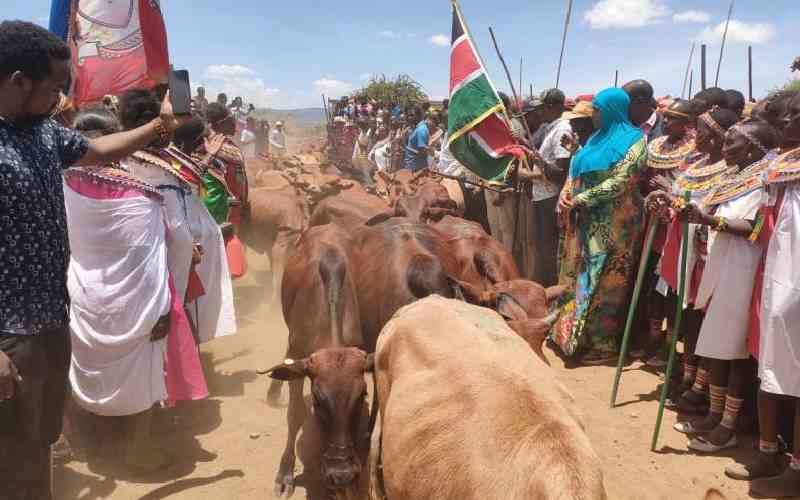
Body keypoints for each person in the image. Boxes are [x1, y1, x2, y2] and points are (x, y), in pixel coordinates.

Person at [0, 21, 186, 499]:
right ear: (18, 81)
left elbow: (98, 149)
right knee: (8, 452)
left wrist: (157, 125)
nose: (63, 96)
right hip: (8, 334)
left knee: (36, 443)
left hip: (48, 322)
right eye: (55, 86)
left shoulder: (39, 132)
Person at [64, 107, 208, 472]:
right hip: (137, 302)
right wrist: (166, 302)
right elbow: (175, 245)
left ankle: (84, 444)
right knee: (142, 375)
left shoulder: (60, 182)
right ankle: (138, 451)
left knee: (83, 369)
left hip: (80, 296)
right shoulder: (144, 192)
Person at [670, 120, 780, 455]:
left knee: (733, 353)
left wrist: (709, 221)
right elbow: (706, 212)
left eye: (731, 142)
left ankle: (728, 426)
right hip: (720, 267)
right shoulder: (732, 179)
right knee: (716, 346)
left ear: (749, 148)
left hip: (744, 273)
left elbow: (757, 226)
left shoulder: (764, 182)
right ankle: (714, 415)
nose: (725, 147)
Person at [725, 93, 800, 497]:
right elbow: (763, 228)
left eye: (796, 117)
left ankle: (795, 471)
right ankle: (768, 451)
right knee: (771, 367)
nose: (785, 123)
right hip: (777, 280)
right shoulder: (777, 169)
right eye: (785, 116)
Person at [551, 88, 646, 364]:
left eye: (598, 110)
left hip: (615, 226)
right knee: (577, 278)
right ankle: (570, 337)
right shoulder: (594, 139)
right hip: (584, 221)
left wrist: (583, 198)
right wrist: (569, 192)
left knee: (606, 284)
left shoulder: (635, 141)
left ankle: (602, 345)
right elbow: (578, 169)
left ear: (613, 110)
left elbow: (623, 180)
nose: (594, 114)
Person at [518, 89, 569, 286]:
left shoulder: (562, 130)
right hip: (541, 196)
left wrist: (532, 170)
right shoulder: (551, 128)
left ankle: (552, 288)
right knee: (543, 246)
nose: (542, 112)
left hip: (550, 197)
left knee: (549, 248)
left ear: (556, 107)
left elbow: (559, 171)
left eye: (545, 107)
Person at [403, 107, 434, 172]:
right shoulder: (418, 128)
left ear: (419, 116)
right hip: (413, 166)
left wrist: (408, 148)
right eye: (408, 115)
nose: (409, 117)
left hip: (415, 168)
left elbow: (422, 152)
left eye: (412, 115)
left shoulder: (421, 130)